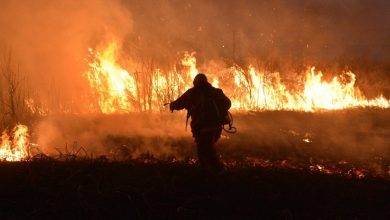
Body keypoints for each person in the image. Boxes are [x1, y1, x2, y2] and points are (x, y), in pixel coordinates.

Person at [170, 73, 231, 173]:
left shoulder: (192, 92)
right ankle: (211, 172)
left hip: (202, 128)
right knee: (208, 149)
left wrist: (172, 105)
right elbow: (228, 103)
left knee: (205, 152)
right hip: (216, 128)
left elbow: (180, 103)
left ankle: (217, 172)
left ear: (195, 82)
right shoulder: (216, 91)